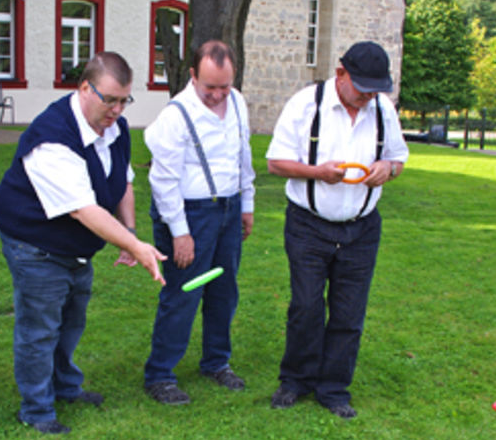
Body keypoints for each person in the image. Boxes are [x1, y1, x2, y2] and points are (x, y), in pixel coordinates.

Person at [0, 52, 166, 434]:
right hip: (34, 240)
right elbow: (84, 210)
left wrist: (129, 233)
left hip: (76, 247)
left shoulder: (113, 128)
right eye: (110, 99)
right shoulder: (52, 137)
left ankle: (65, 386)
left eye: (125, 100)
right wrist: (138, 249)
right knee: (40, 326)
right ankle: (37, 410)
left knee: (71, 319)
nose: (118, 110)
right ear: (84, 88)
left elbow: (123, 183)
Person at [265, 41, 409, 420]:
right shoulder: (304, 105)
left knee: (348, 313)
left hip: (361, 230)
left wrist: (387, 170)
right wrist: (318, 173)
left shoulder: (382, 110)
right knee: (307, 306)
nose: (368, 97)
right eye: (362, 88)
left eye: (375, 90)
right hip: (308, 226)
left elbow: (399, 158)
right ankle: (295, 380)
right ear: (341, 73)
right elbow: (275, 163)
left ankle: (333, 389)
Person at [142, 40, 255, 405]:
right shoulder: (175, 116)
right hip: (189, 213)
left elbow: (243, 154)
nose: (218, 95)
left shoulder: (236, 102)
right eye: (210, 88)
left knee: (224, 290)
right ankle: (160, 374)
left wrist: (246, 203)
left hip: (228, 207)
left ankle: (216, 362)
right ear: (193, 76)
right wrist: (181, 233)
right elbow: (163, 181)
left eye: (225, 86)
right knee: (183, 294)